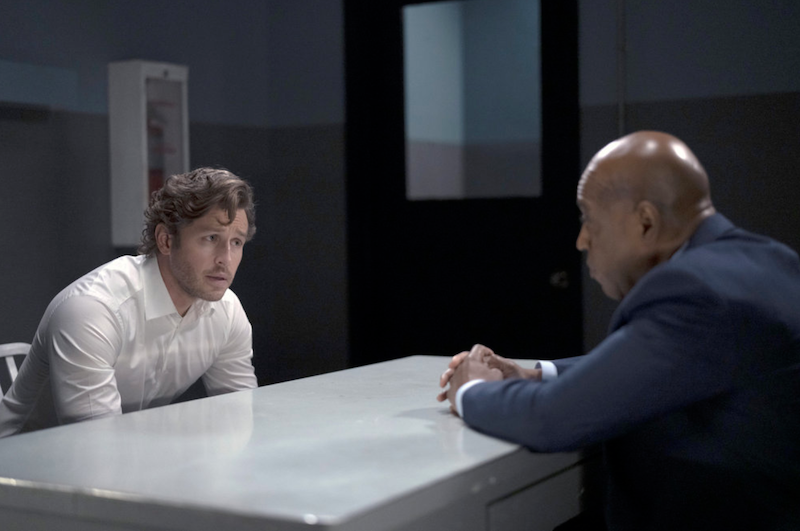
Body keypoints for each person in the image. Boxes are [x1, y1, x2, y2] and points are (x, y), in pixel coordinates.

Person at [437, 131, 800, 530]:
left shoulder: (694, 292)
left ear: (645, 222)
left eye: (589, 220)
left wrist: (472, 390)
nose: (581, 240)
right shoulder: (770, 260)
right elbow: (663, 362)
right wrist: (534, 374)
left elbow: (555, 419)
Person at [0, 168, 258, 438]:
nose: (226, 259)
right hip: (23, 456)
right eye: (211, 238)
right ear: (166, 240)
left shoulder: (227, 311)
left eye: (236, 242)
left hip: (125, 448)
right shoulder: (92, 310)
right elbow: (96, 444)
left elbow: (241, 418)